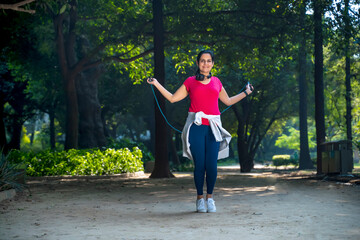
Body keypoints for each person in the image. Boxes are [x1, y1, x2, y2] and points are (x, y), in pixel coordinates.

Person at [147, 49, 254, 213]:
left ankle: (210, 198)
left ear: (213, 63)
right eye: (202, 60)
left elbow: (228, 100)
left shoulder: (217, 82)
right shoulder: (190, 81)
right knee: (200, 166)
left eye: (209, 60)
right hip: (196, 128)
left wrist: (246, 93)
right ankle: (199, 199)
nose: (206, 63)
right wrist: (156, 83)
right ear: (198, 63)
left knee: (211, 166)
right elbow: (173, 98)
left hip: (213, 129)